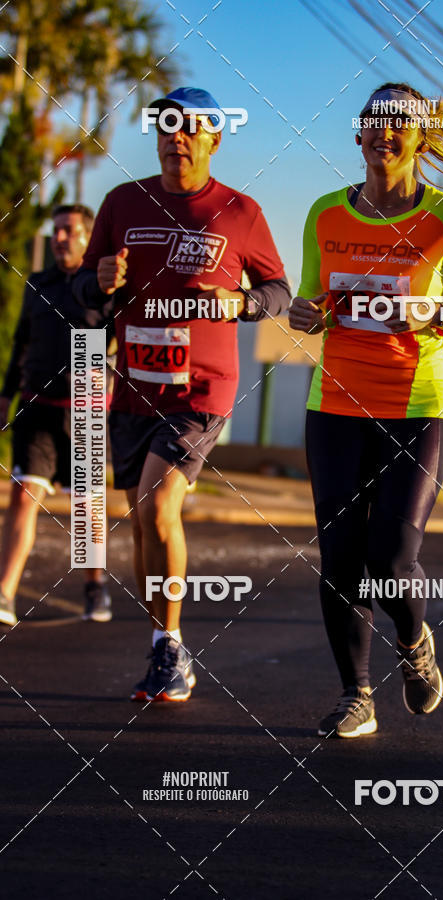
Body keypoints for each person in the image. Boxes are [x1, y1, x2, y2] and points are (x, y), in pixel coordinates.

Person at [289, 82, 443, 737]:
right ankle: (356, 695)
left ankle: (413, 643)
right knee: (340, 557)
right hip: (336, 405)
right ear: (358, 136)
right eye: (375, 122)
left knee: (391, 555)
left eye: (401, 124)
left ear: (418, 137)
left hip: (420, 404)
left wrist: (442, 310)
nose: (386, 133)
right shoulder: (325, 213)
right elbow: (310, 301)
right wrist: (307, 314)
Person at [73, 87, 290, 702]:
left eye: (193, 128)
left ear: (216, 139)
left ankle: (170, 646)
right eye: (168, 125)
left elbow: (278, 290)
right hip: (134, 385)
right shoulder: (121, 202)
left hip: (202, 386)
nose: (178, 136)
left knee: (159, 506)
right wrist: (100, 279)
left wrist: (239, 302)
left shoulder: (239, 212)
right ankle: (162, 646)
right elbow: (88, 290)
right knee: (142, 524)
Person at [0, 204, 112, 627]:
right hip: (36, 406)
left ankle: (95, 586)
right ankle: (6, 593)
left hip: (85, 413)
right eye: (56, 231)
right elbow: (21, 342)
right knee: (23, 496)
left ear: (87, 238)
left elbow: (118, 343)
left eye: (69, 231)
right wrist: (5, 395)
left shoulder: (104, 289)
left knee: (85, 509)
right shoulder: (38, 283)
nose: (59, 238)